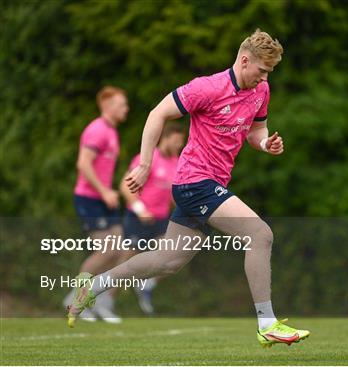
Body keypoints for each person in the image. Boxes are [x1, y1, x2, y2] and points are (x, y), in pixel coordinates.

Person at [67, 29, 310, 348]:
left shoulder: (260, 91)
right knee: (260, 234)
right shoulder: (207, 87)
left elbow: (256, 132)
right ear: (244, 60)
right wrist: (144, 164)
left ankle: (94, 286)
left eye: (269, 73)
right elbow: (158, 114)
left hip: (210, 185)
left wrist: (265, 143)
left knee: (166, 262)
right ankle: (267, 323)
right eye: (261, 70)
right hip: (195, 181)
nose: (264, 78)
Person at [65, 86, 129, 323]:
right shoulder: (97, 129)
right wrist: (104, 192)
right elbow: (83, 164)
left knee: (121, 251)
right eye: (122, 104)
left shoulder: (112, 132)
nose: (126, 108)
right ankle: (75, 298)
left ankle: (100, 300)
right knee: (107, 250)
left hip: (105, 199)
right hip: (91, 198)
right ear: (107, 106)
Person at [119, 122, 185, 314]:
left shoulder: (176, 162)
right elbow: (125, 185)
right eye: (177, 141)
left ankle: (147, 284)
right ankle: (101, 297)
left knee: (173, 255)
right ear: (166, 137)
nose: (179, 145)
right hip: (138, 218)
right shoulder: (148, 157)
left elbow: (174, 195)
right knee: (124, 265)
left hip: (160, 221)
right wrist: (140, 209)